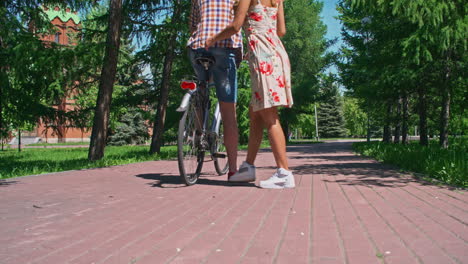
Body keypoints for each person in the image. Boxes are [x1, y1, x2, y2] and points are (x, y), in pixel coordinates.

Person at [206, 0, 295, 189]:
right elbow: (281, 31)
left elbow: (236, 26)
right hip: (276, 52)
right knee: (255, 113)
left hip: (263, 57)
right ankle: (248, 168)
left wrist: (212, 39)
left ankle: (284, 173)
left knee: (269, 115)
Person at [188, 0, 243, 178]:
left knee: (202, 87)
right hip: (225, 48)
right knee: (229, 113)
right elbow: (237, 26)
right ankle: (233, 170)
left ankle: (197, 135)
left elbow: (193, 25)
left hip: (198, 47)